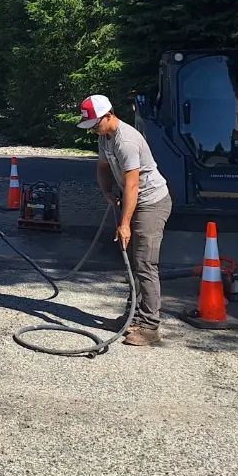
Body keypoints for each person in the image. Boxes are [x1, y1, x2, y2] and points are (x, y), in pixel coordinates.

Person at [77, 94, 172, 347]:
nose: (94, 130)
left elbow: (132, 186)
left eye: (96, 124)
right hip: (136, 201)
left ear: (109, 115)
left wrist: (125, 223)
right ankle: (133, 316)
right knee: (132, 260)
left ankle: (150, 326)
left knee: (145, 264)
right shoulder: (106, 138)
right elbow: (103, 166)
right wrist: (107, 192)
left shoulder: (126, 140)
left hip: (151, 202)